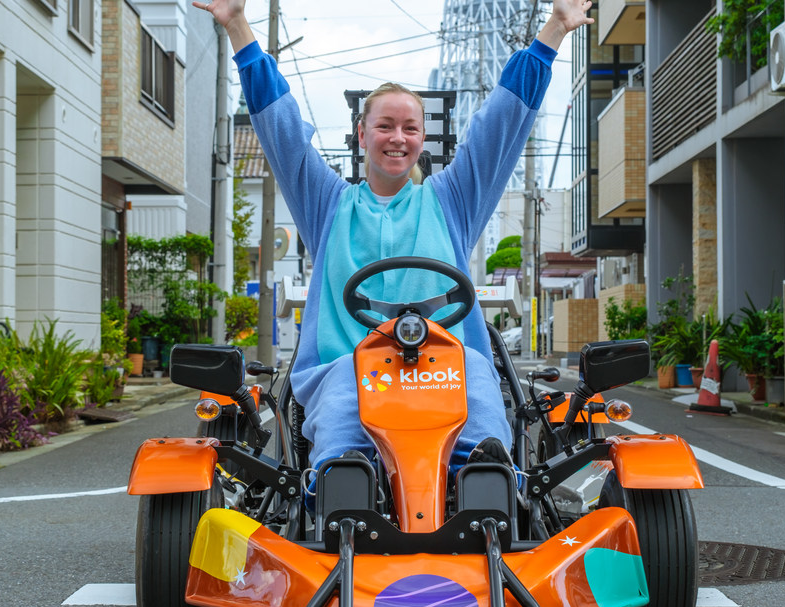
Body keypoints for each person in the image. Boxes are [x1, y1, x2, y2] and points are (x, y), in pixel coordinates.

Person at [193, 0, 594, 477]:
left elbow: (501, 124)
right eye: (384, 125)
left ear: (422, 139)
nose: (397, 137)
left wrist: (554, 29)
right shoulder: (326, 202)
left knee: (479, 389)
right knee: (342, 403)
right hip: (349, 366)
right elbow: (281, 129)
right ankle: (344, 485)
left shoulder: (452, 200)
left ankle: (484, 481)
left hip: (445, 366)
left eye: (410, 128)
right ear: (361, 134)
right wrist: (238, 24)